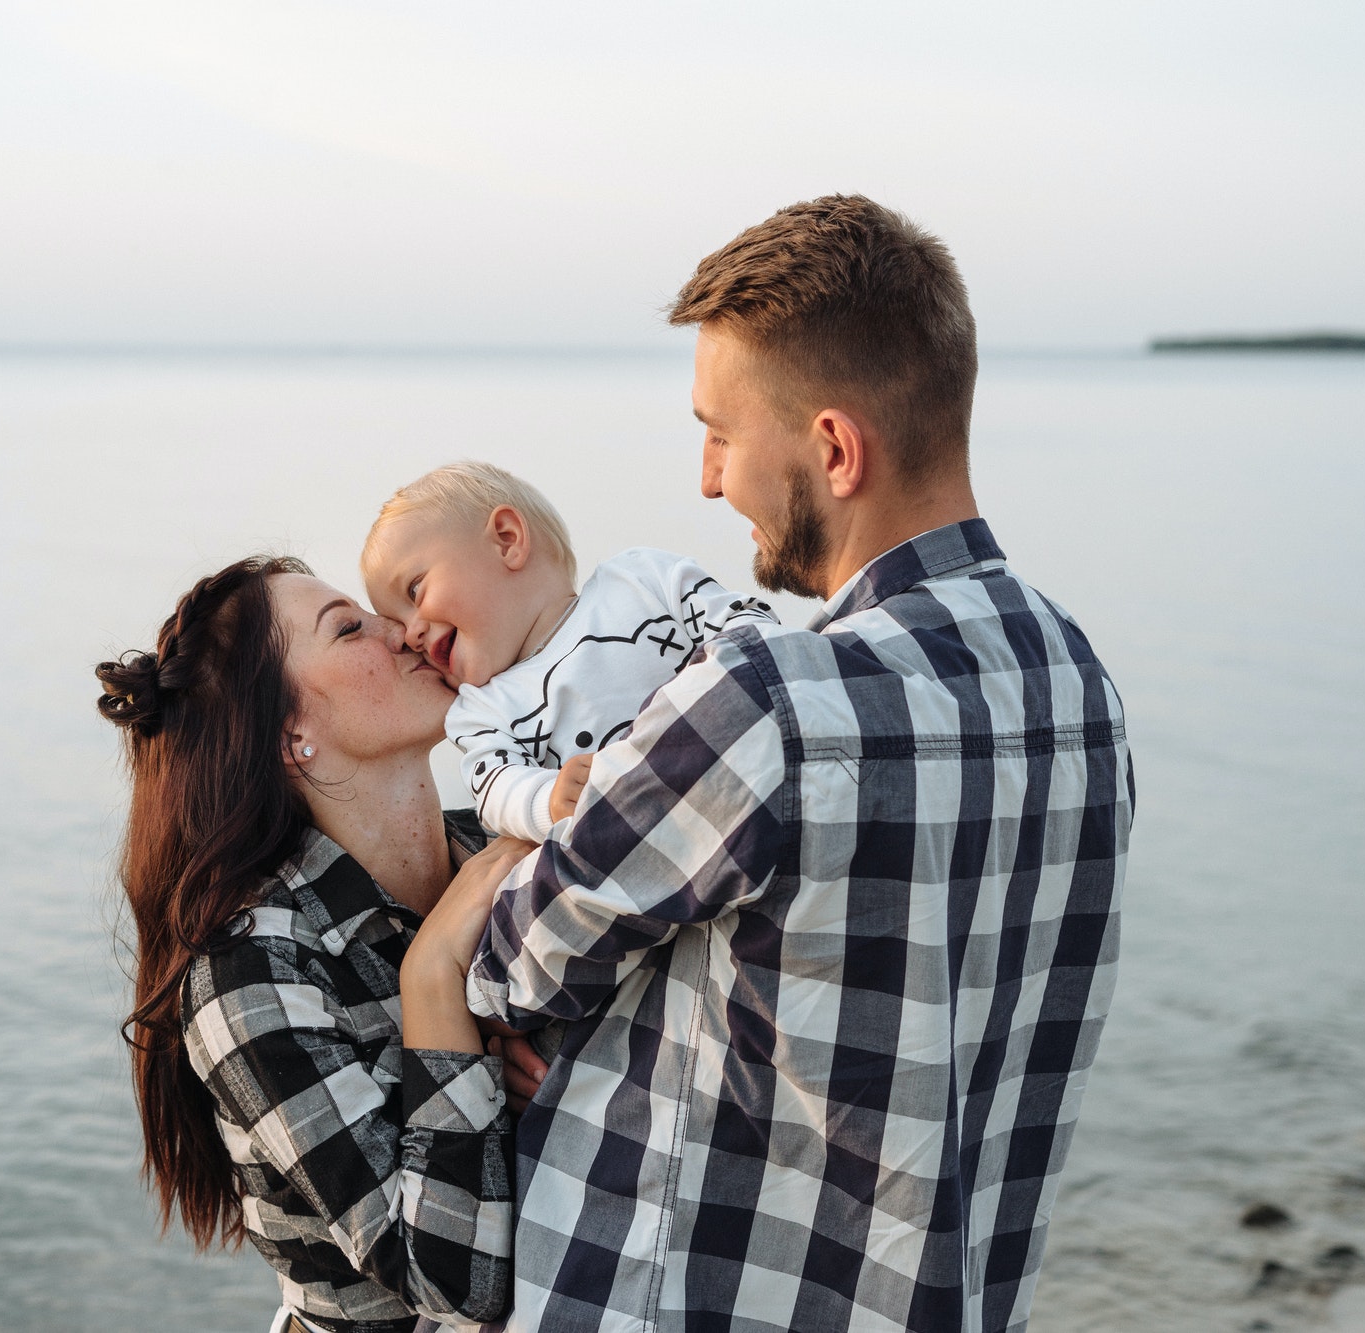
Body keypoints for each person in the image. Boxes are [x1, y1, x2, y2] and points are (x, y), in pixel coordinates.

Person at [433, 195, 1137, 1332]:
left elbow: (510, 960)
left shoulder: (768, 705)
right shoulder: (1081, 685)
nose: (709, 480)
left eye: (719, 432)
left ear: (832, 449)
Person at [95, 555, 546, 1333]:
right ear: (289, 733)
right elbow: (453, 1281)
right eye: (349, 627)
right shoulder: (251, 968)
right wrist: (434, 974)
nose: (405, 628)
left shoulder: (497, 852)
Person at [360, 460, 777, 841]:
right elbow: (494, 789)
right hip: (650, 847)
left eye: (414, 591)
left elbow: (748, 627)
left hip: (757, 778)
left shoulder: (640, 580)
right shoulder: (480, 712)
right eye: (398, 622)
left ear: (507, 541)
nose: (411, 635)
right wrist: (547, 800)